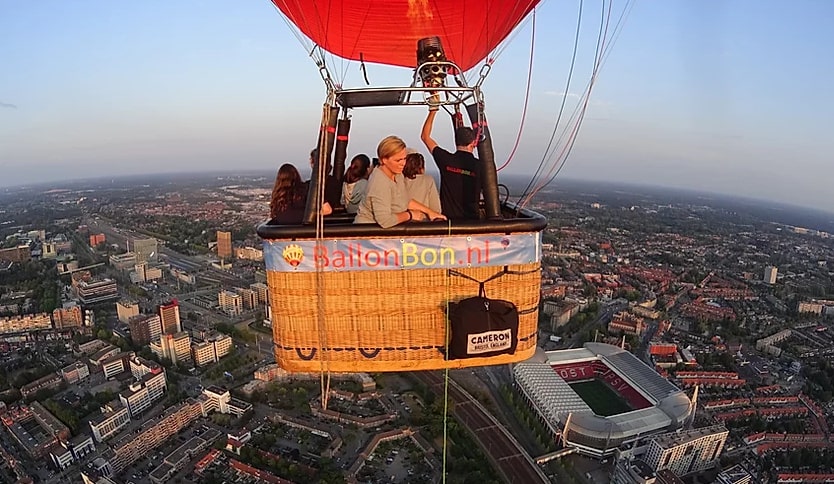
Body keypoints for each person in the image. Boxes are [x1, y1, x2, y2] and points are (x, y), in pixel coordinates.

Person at [354, 136, 446, 228]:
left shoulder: (397, 174)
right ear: (384, 160)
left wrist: (430, 212)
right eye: (398, 160)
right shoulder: (379, 183)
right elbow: (385, 221)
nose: (403, 163)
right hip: (368, 234)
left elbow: (405, 200)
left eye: (404, 158)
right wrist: (410, 215)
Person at [420, 99, 482, 220]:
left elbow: (425, 137)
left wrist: (433, 111)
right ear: (473, 143)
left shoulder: (445, 159)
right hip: (473, 224)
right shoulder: (480, 166)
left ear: (456, 141)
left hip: (449, 223)